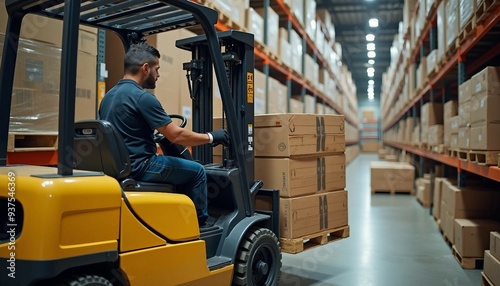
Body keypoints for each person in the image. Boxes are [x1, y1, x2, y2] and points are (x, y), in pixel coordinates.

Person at [99, 42, 230, 228]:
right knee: (197, 171)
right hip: (142, 166)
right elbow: (176, 136)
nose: (158, 74)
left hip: (119, 166)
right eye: (157, 69)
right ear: (146, 68)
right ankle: (200, 226)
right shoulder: (143, 98)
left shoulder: (109, 97)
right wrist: (211, 137)